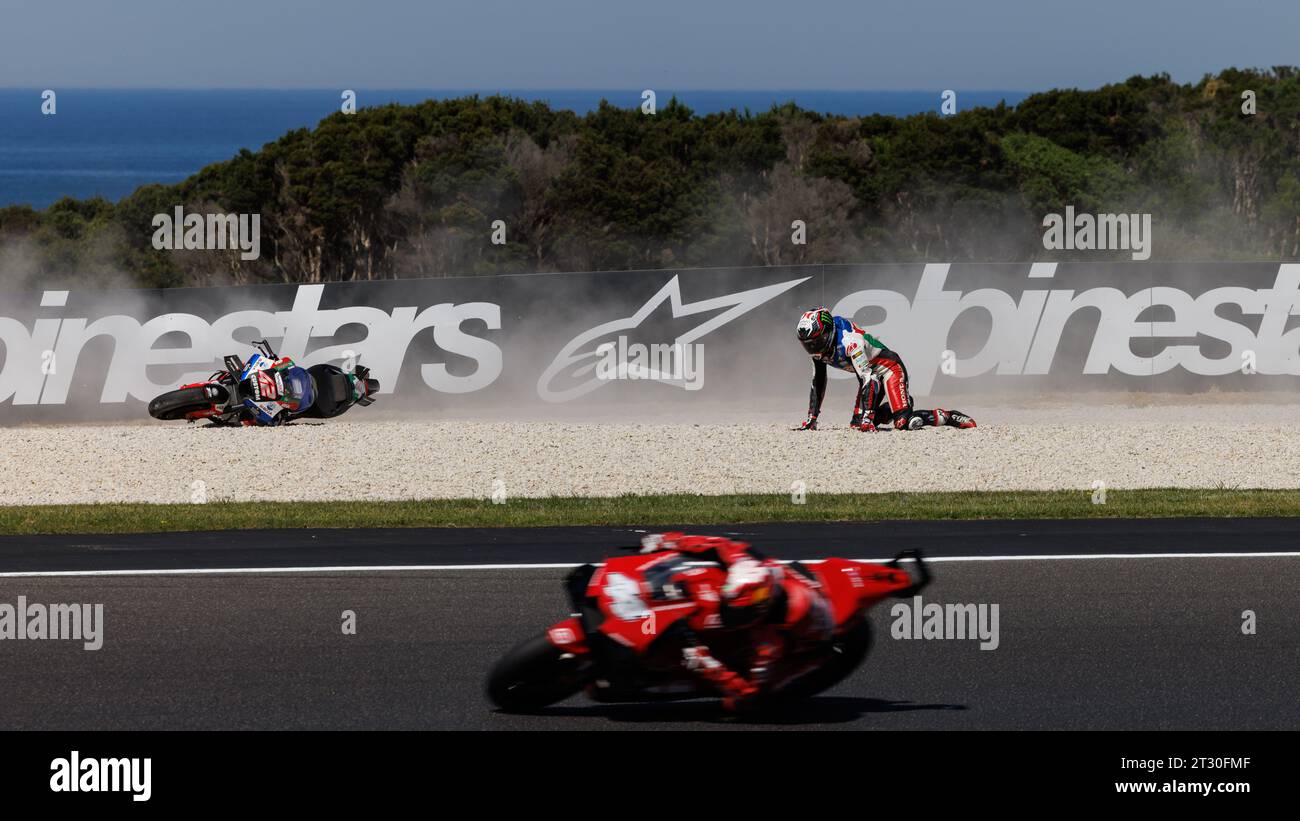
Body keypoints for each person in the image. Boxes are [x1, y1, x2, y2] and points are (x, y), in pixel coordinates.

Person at [639, 532, 834, 711]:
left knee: (743, 704)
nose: (730, 617)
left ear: (761, 611)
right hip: (791, 584)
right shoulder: (744, 565)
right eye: (729, 609)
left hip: (809, 639)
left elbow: (750, 690)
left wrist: (707, 664)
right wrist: (665, 540)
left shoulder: (769, 642)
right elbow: (715, 543)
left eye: (739, 615)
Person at [793, 308, 976, 432]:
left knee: (904, 423)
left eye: (816, 342)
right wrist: (812, 418)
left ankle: (947, 416)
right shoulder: (819, 351)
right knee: (857, 426)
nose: (813, 348)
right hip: (870, 375)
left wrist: (868, 417)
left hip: (888, 369)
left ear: (828, 332)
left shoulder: (850, 342)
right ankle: (898, 406)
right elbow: (818, 381)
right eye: (807, 345)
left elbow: (869, 379)